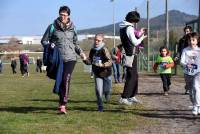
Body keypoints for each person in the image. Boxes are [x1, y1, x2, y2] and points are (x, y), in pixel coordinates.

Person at [41, 6, 86, 114]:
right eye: (61, 14)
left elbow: (75, 43)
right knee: (61, 80)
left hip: (71, 58)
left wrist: (81, 53)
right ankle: (61, 100)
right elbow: (44, 41)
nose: (63, 17)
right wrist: (50, 46)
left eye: (65, 15)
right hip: (58, 58)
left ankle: (63, 104)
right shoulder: (52, 26)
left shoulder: (73, 28)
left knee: (66, 78)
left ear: (68, 15)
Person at [119, 11, 147, 105]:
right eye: (135, 21)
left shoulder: (123, 26)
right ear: (132, 20)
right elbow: (135, 42)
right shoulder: (129, 28)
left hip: (130, 53)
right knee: (131, 76)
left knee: (134, 75)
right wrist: (142, 38)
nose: (135, 23)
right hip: (130, 54)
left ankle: (132, 95)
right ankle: (124, 97)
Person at [83, 33, 112, 112]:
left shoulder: (104, 49)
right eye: (95, 40)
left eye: (98, 40)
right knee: (99, 91)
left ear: (102, 41)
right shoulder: (92, 50)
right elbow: (90, 62)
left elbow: (110, 62)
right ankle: (100, 106)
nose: (96, 42)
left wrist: (102, 65)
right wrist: (85, 59)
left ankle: (107, 95)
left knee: (107, 90)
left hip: (106, 73)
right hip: (97, 73)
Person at [180, 32, 200, 115]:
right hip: (187, 73)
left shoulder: (199, 50)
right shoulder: (185, 50)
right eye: (189, 40)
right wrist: (186, 65)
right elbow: (181, 61)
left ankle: (197, 106)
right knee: (191, 92)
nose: (191, 42)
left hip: (198, 73)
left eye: (193, 40)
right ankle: (195, 104)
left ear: (197, 41)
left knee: (196, 88)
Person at [174, 26, 192, 94]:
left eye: (187, 31)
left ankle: (191, 88)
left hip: (192, 59)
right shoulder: (182, 40)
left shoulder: (193, 39)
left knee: (192, 74)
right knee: (186, 75)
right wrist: (177, 56)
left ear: (190, 31)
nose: (186, 33)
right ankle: (188, 88)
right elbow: (179, 50)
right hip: (184, 59)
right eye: (185, 31)